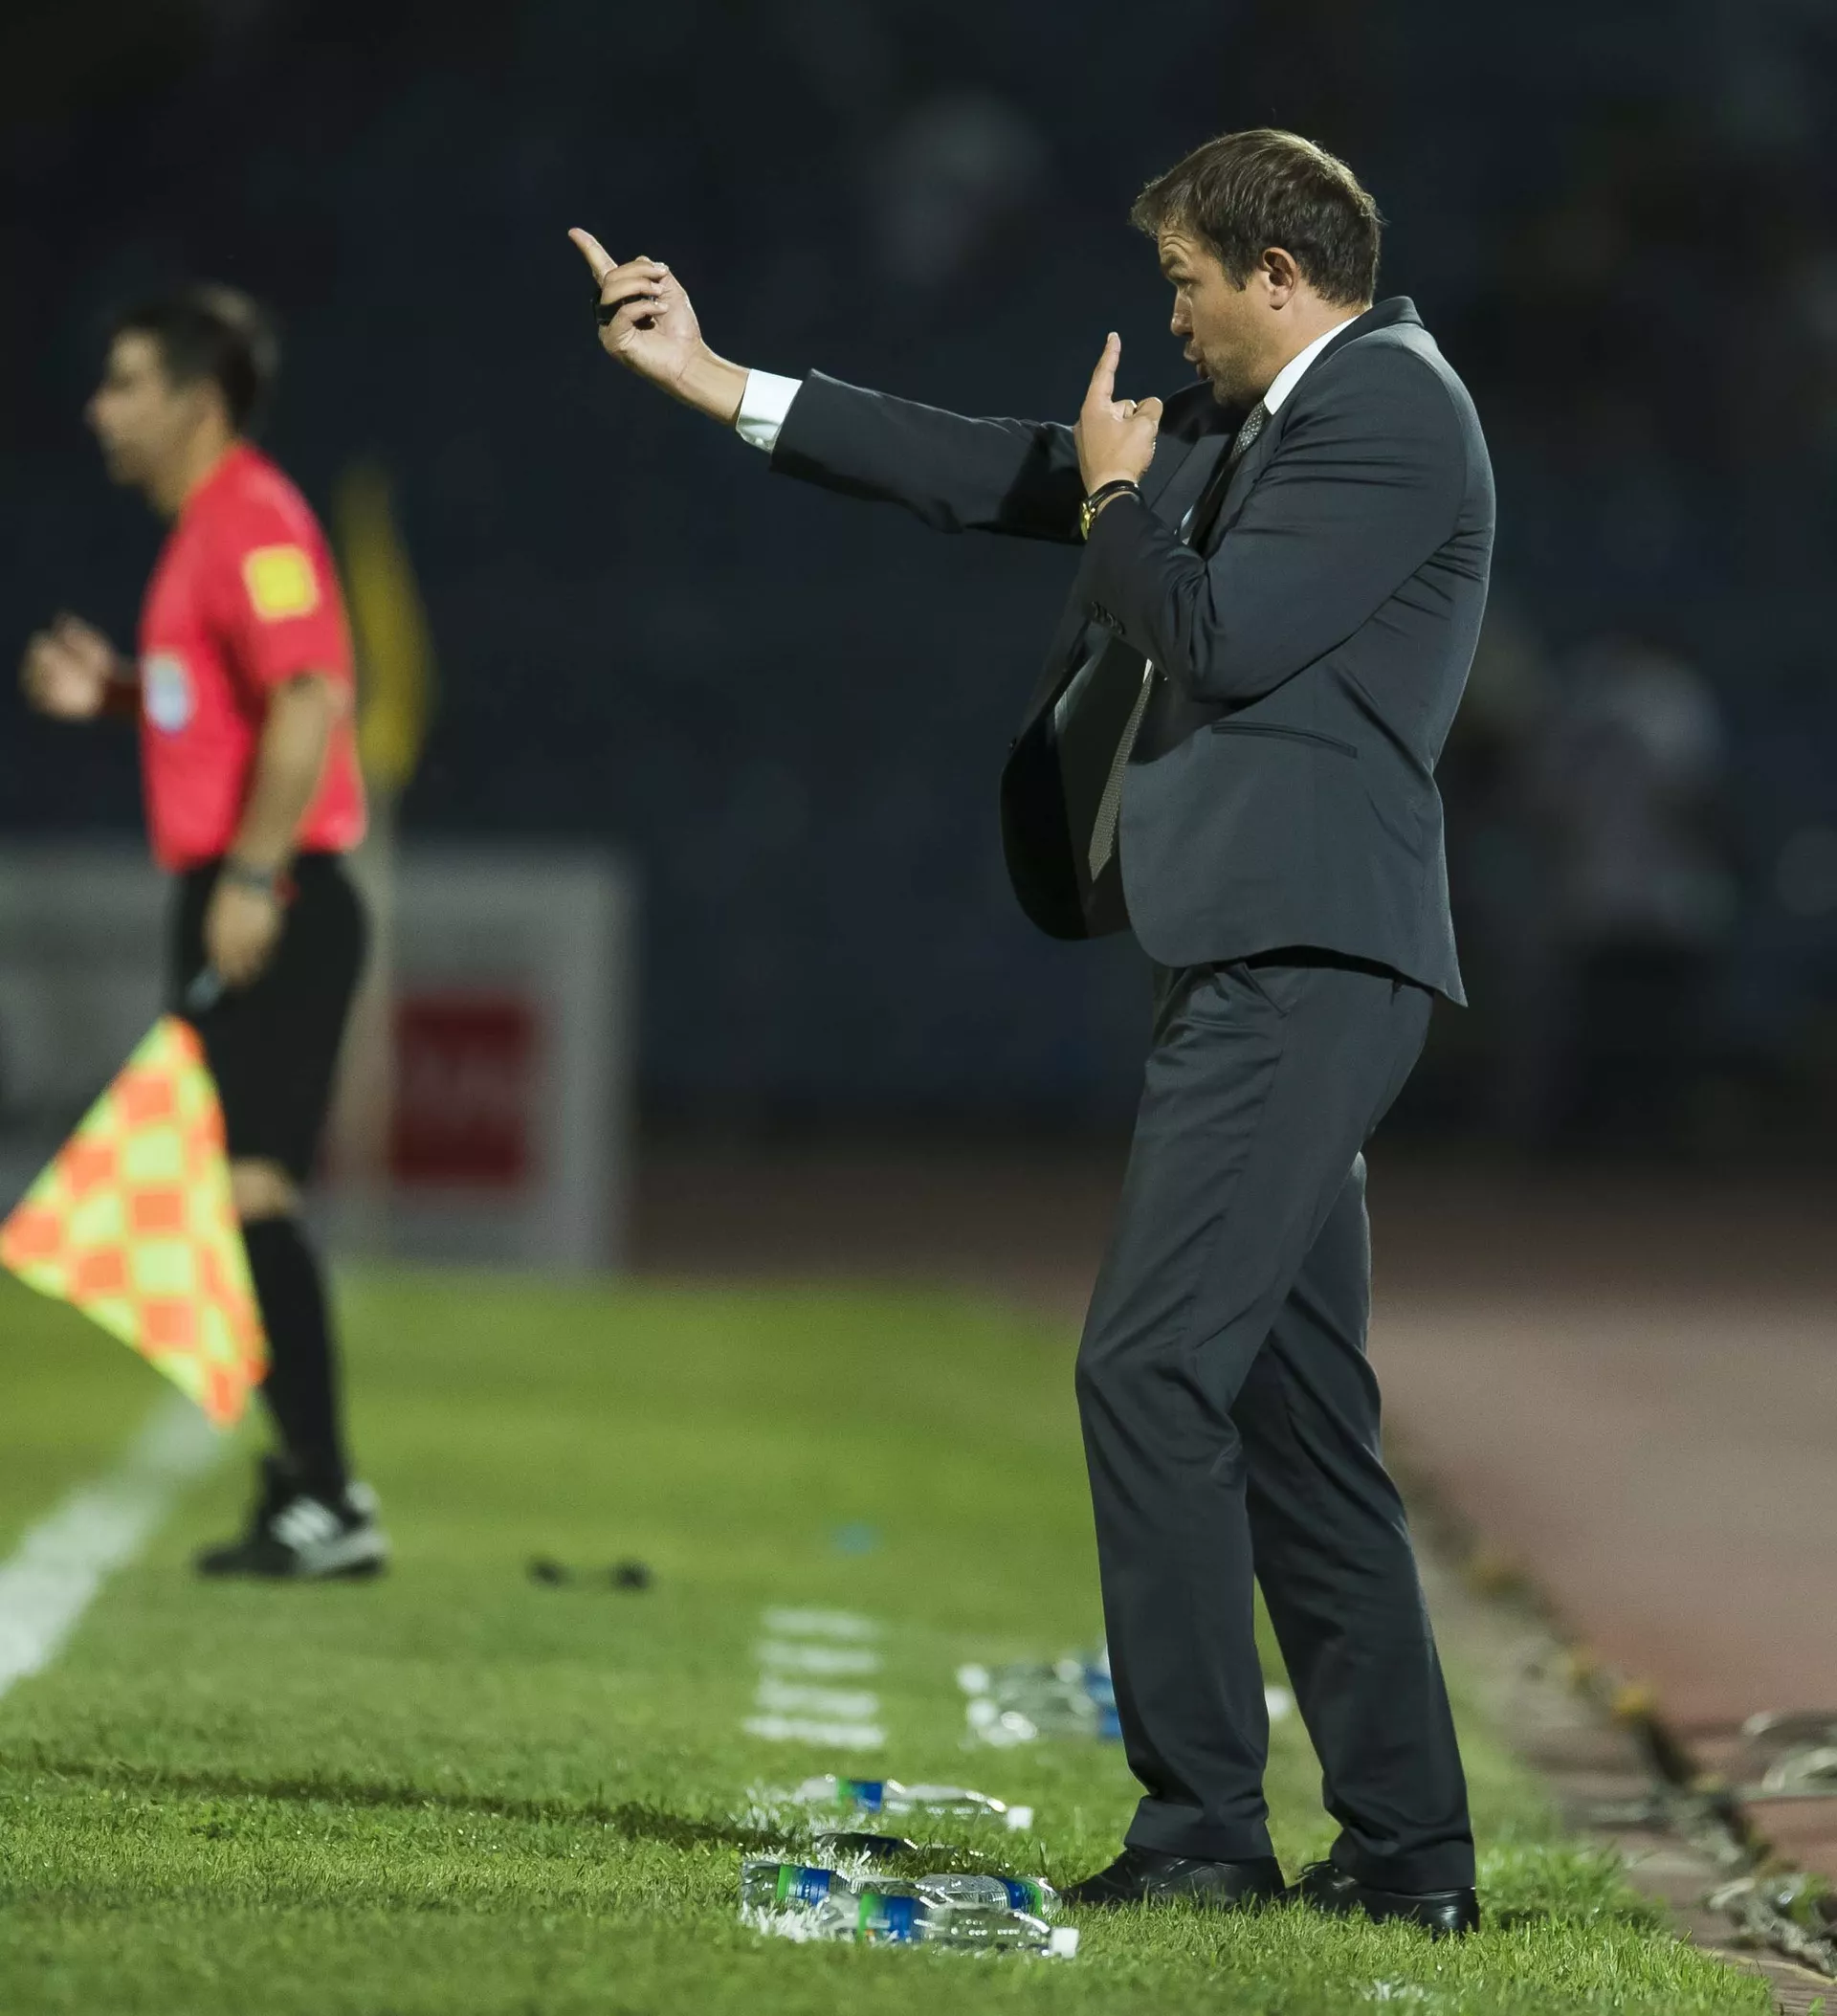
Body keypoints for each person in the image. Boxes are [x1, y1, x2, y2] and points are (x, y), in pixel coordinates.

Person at [570, 124, 1492, 1933]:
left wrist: (1121, 503)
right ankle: (1408, 1852)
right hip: (1264, 956)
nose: (1174, 317)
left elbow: (1217, 634)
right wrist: (718, 381)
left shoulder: (1393, 410)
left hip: (1305, 959)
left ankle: (1203, 1830)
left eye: (1187, 284)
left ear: (1279, 277)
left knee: (1146, 1369)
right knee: (1295, 1412)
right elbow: (996, 469)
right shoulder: (1269, 415)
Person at [19, 286, 387, 1581]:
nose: (99, 410)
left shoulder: (254, 520)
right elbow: (225, 703)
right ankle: (308, 1485)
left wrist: (252, 873)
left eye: (126, 383)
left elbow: (310, 696)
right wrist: (121, 695)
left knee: (247, 1187)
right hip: (240, 882)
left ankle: (330, 1496)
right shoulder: (201, 534)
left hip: (275, 889)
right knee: (211, 1194)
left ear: (197, 400)